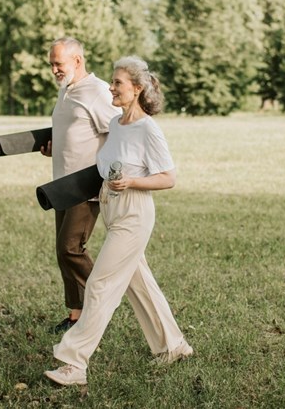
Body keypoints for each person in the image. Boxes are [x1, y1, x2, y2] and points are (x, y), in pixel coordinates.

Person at [44, 56, 193, 386]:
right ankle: (174, 346)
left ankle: (74, 363)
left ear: (137, 89)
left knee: (99, 284)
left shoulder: (147, 129)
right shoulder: (116, 125)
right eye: (111, 82)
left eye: (118, 83)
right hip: (113, 210)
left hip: (134, 213)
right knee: (140, 285)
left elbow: (168, 177)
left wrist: (132, 182)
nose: (110, 87)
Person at [41, 37, 120, 333]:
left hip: (85, 185)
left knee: (70, 247)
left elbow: (119, 132)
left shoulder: (97, 92)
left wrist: (111, 174)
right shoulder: (67, 90)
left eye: (58, 63)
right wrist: (54, 146)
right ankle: (77, 316)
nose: (54, 70)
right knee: (63, 249)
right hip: (62, 183)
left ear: (77, 60)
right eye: (51, 64)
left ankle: (102, 305)